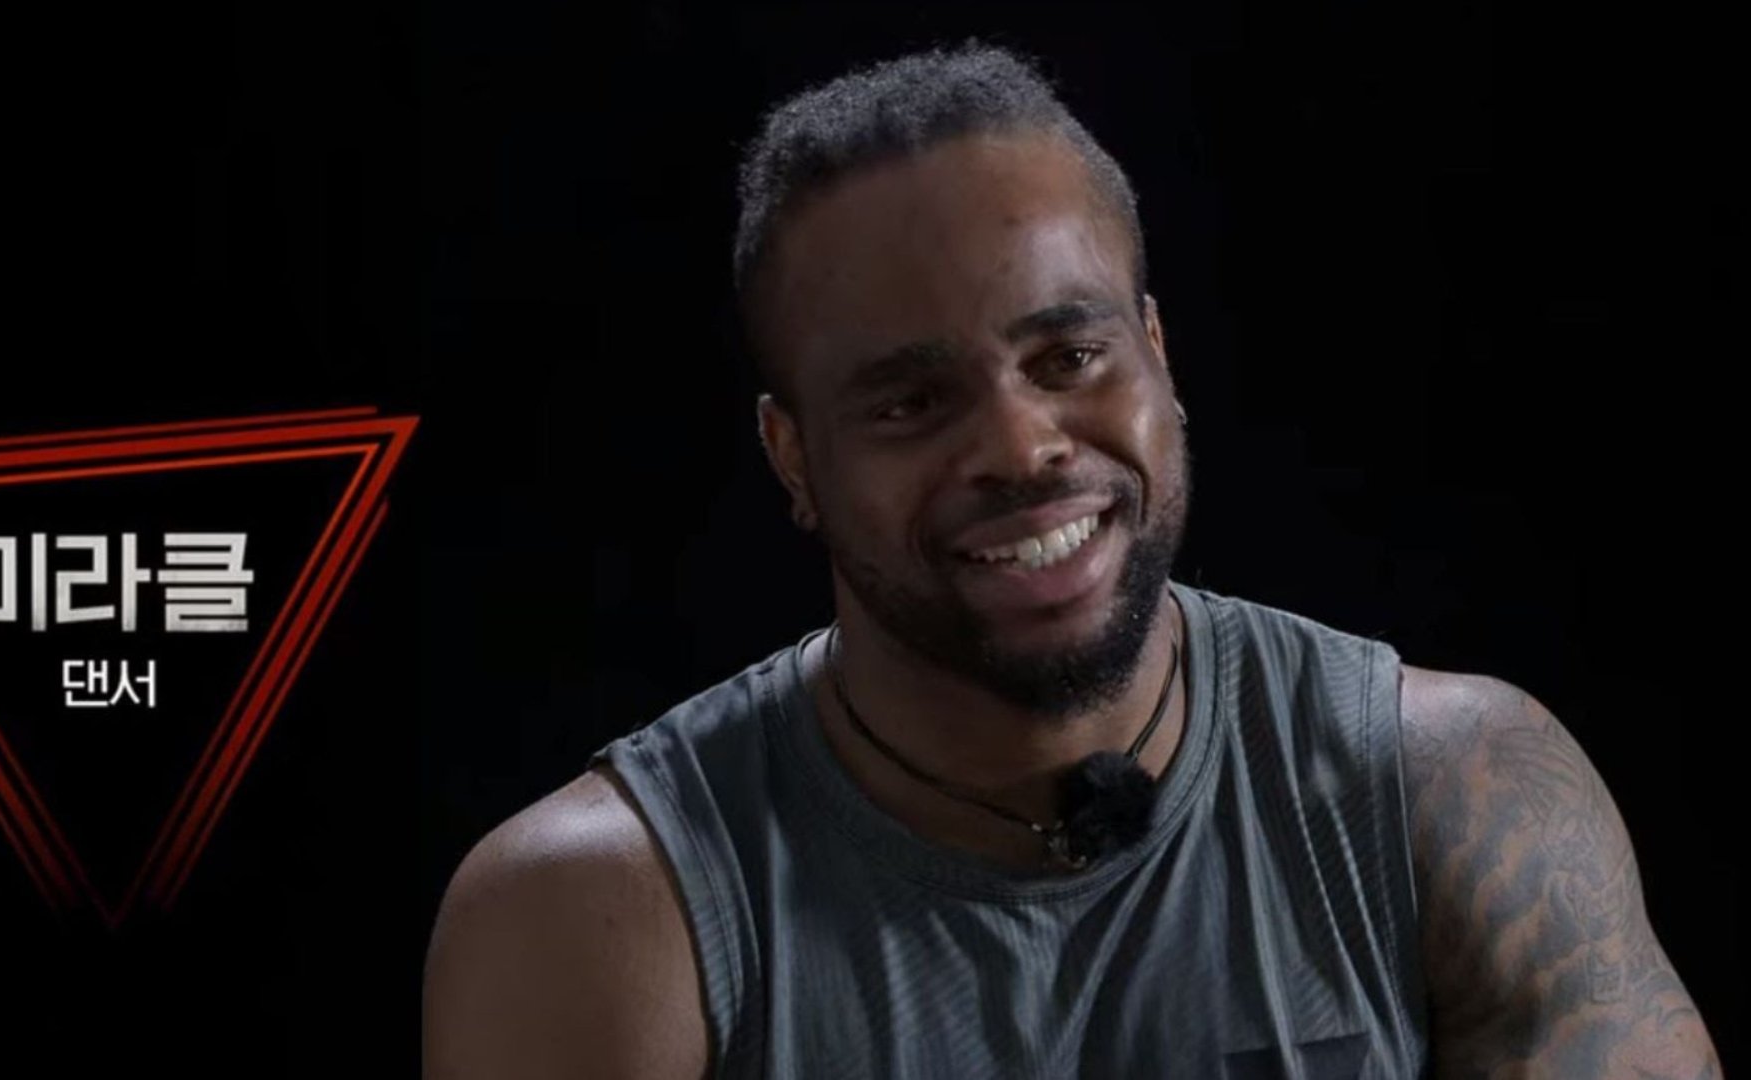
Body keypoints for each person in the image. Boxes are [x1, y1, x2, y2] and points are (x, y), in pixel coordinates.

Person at [423, 42, 1721, 1078]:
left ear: (1157, 352)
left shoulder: (1457, 796)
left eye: (1069, 357)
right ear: (793, 458)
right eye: (909, 402)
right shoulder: (600, 915)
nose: (1021, 446)